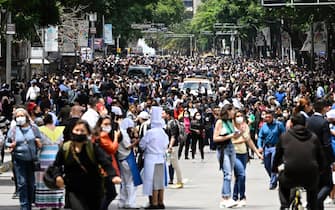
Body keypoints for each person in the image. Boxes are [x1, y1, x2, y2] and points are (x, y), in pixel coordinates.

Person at [53, 119, 121, 210]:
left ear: (87, 133)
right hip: (74, 189)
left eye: (82, 131)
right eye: (77, 130)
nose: (79, 133)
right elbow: (56, 165)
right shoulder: (65, 148)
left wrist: (113, 176)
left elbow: (105, 162)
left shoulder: (92, 148)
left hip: (93, 188)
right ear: (72, 131)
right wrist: (58, 176)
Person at [273, 113, 326, 210]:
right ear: (306, 124)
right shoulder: (313, 137)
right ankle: (312, 206)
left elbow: (277, 156)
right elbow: (321, 157)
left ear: (291, 124)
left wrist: (274, 168)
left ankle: (285, 205)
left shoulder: (284, 137)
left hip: (290, 174)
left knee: (283, 183)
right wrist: (321, 169)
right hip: (310, 175)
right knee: (312, 190)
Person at [6, 108, 42, 210]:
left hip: (32, 160)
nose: (19, 118)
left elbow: (40, 140)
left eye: (21, 115)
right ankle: (24, 206)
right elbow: (6, 142)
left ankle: (29, 204)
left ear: (26, 117)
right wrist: (10, 145)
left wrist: (38, 143)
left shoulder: (34, 128)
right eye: (17, 116)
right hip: (19, 160)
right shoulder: (13, 130)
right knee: (22, 184)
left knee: (31, 184)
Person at [306, 100, 335, 210]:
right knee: (328, 185)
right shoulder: (323, 123)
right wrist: (332, 159)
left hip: (309, 157)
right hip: (322, 159)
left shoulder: (308, 121)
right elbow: (327, 144)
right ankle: (315, 201)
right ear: (323, 108)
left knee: (315, 185)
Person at [232, 110, 263, 207]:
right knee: (242, 174)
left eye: (241, 115)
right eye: (237, 116)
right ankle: (242, 197)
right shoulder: (230, 127)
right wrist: (240, 140)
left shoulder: (245, 127)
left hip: (244, 153)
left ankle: (235, 197)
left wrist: (257, 153)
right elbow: (229, 141)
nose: (239, 117)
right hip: (233, 154)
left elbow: (249, 140)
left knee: (239, 176)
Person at [140, 106, 169, 209]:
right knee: (160, 182)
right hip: (161, 158)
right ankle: (161, 201)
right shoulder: (163, 133)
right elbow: (166, 145)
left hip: (151, 159)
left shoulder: (150, 133)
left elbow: (142, 145)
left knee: (153, 182)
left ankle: (155, 203)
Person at [35, 114, 65, 210]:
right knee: (55, 178)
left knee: (44, 180)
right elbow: (61, 145)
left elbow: (39, 145)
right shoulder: (59, 130)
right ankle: (56, 202)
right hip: (56, 156)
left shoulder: (40, 130)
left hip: (44, 156)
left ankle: (44, 203)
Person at [213, 103, 239, 208]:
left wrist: (239, 133)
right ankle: (226, 197)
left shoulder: (230, 121)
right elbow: (215, 138)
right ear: (228, 111)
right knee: (227, 174)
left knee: (229, 174)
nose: (234, 113)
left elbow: (234, 136)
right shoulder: (220, 122)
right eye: (233, 110)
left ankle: (226, 198)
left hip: (231, 148)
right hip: (222, 149)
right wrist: (230, 136)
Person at [94, 116, 120, 210]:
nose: (108, 126)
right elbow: (112, 148)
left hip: (103, 167)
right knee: (110, 193)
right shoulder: (103, 135)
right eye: (105, 124)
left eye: (109, 124)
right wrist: (116, 138)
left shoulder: (99, 135)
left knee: (108, 193)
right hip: (105, 168)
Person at [257, 109, 285, 190]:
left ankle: (272, 183)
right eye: (266, 117)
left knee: (273, 164)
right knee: (267, 165)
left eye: (269, 117)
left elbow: (284, 134)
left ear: (272, 117)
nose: (267, 118)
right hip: (267, 148)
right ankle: (275, 178)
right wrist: (259, 146)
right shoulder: (264, 126)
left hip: (276, 147)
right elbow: (260, 137)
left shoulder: (278, 125)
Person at [118, 118, 142, 209]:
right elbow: (128, 146)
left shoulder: (121, 132)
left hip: (121, 159)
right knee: (131, 182)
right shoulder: (124, 134)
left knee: (123, 182)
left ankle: (122, 202)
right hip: (127, 159)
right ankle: (131, 202)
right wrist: (137, 141)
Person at [162, 108, 183, 188]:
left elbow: (173, 136)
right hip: (170, 146)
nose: (162, 115)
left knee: (175, 164)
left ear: (168, 114)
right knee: (170, 163)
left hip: (173, 146)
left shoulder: (172, 123)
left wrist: (170, 146)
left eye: (163, 113)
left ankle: (179, 181)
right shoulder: (169, 122)